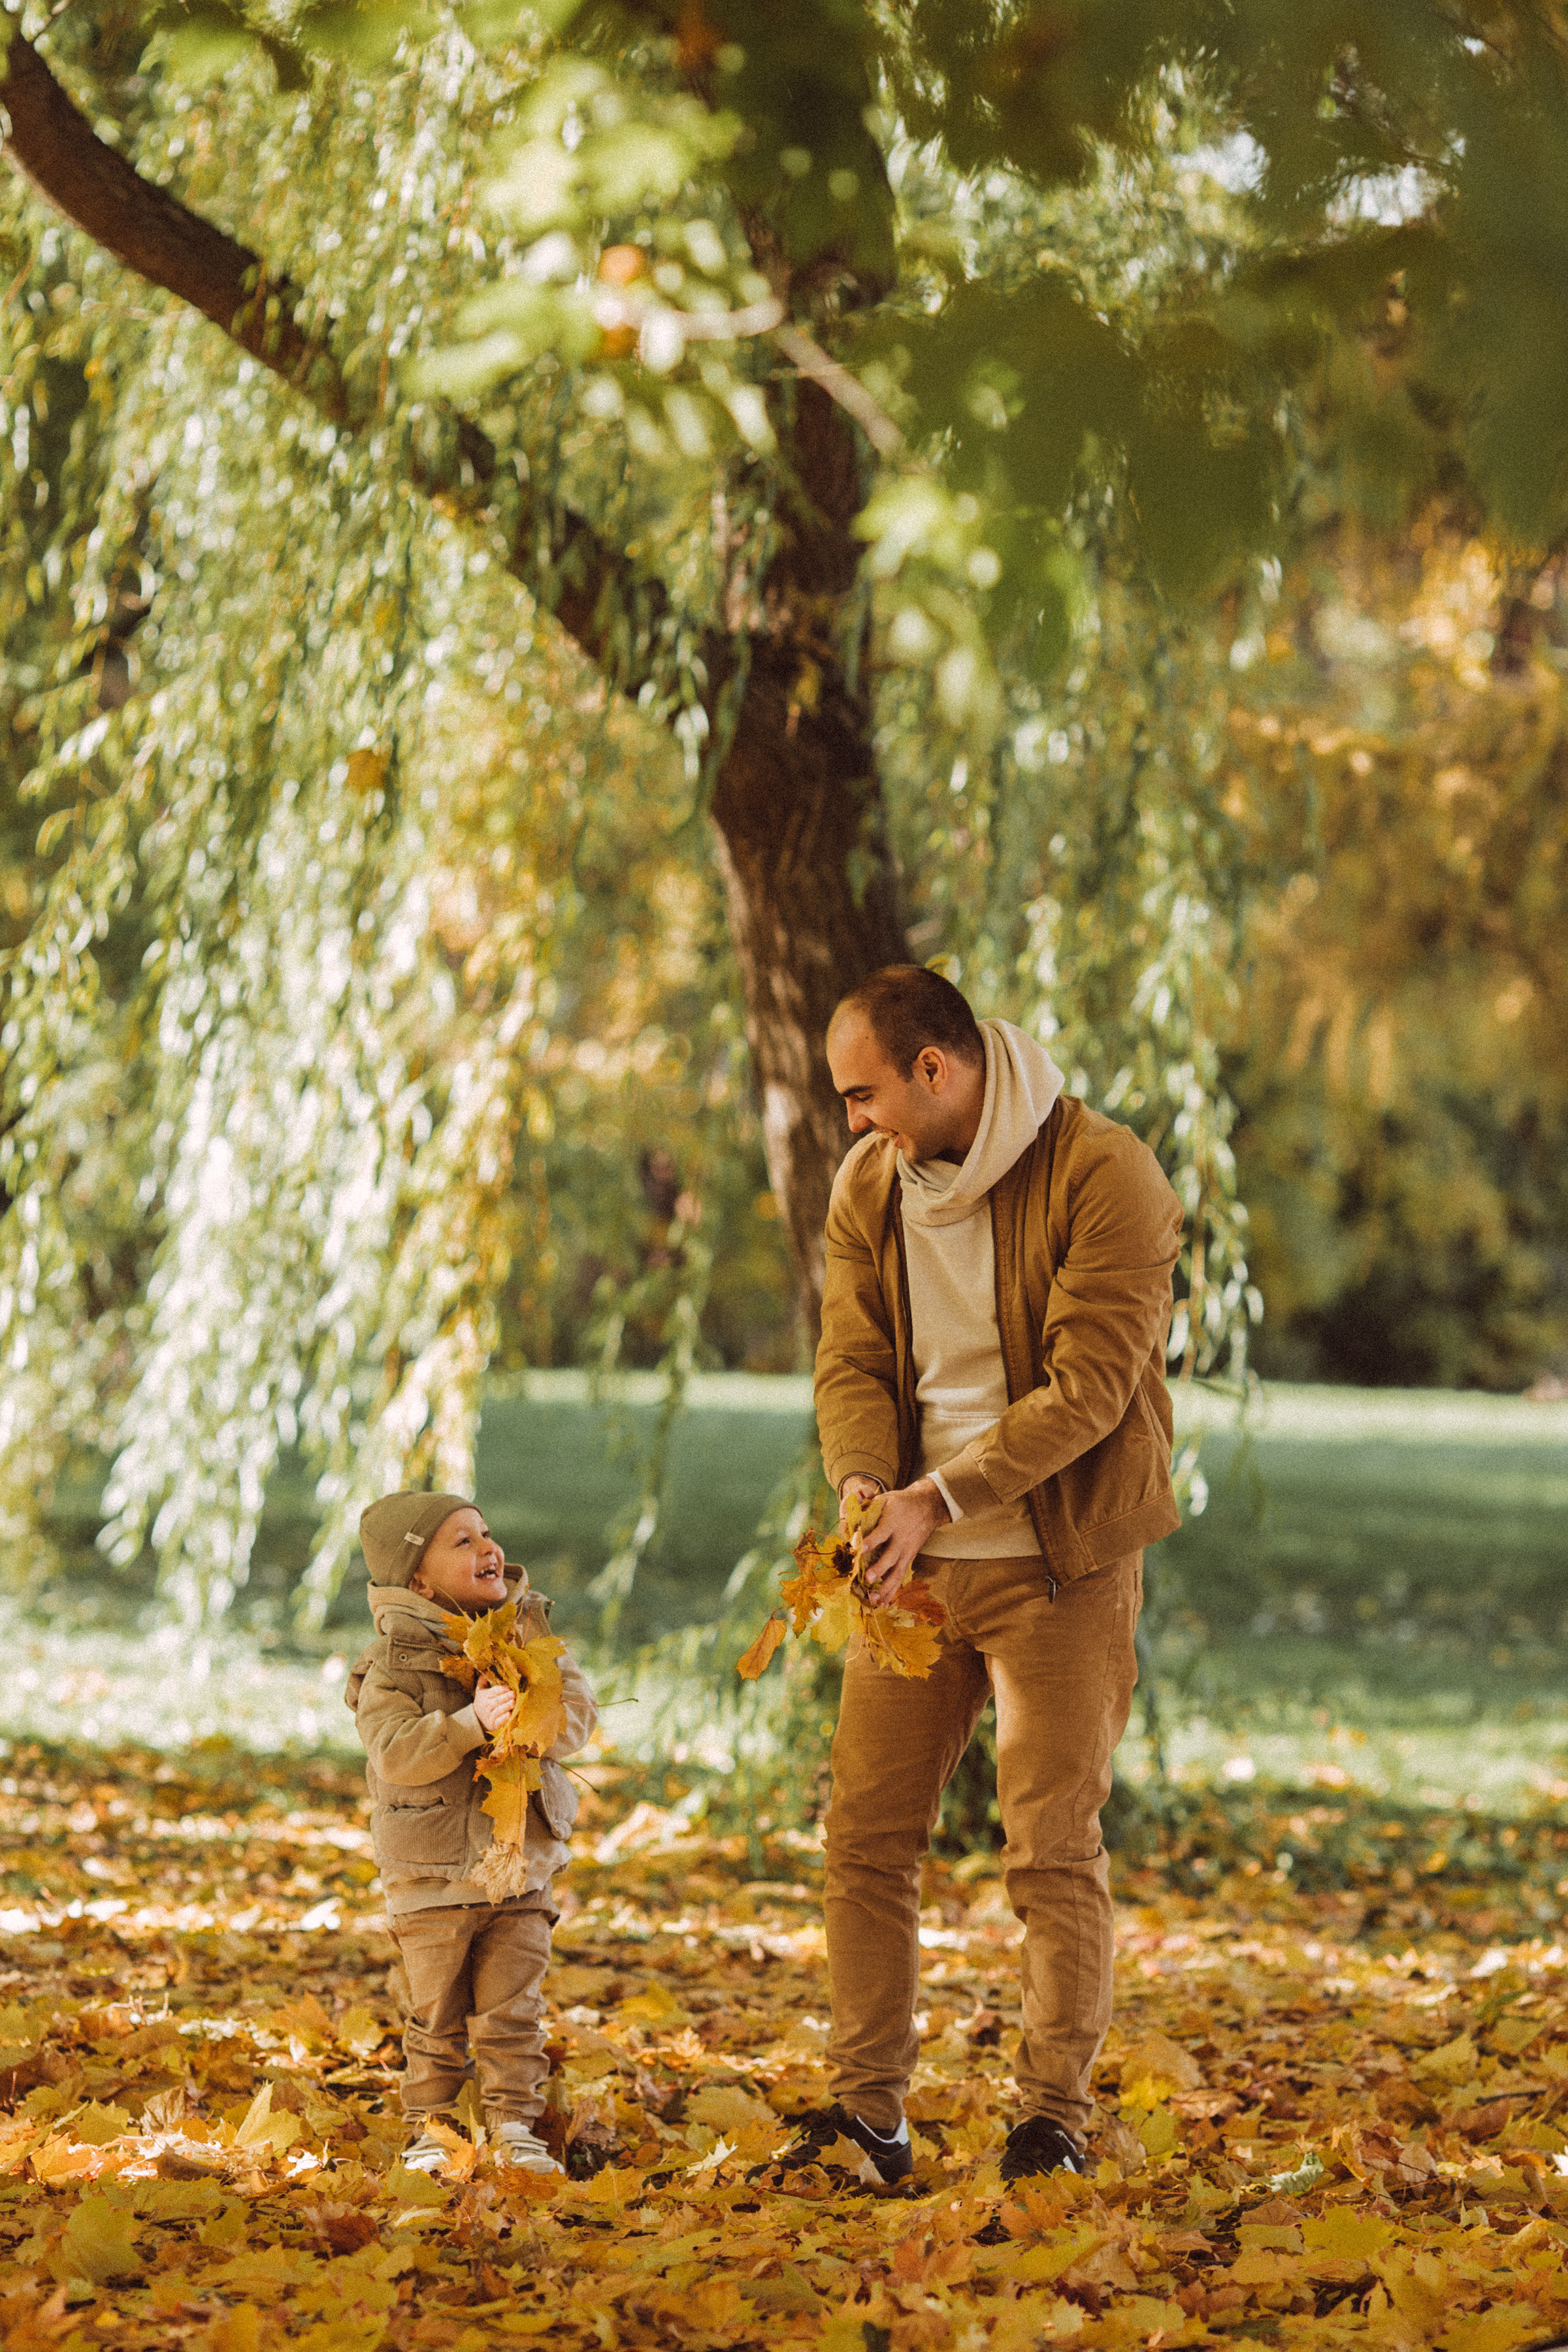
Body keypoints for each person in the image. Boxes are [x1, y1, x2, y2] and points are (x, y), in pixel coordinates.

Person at [771, 965, 1182, 2189]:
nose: (854, 1121)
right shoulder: (869, 1186)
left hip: (1059, 1562)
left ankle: (1050, 2118)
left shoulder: (1106, 1175)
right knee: (866, 1838)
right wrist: (863, 1488)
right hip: (911, 1568)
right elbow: (853, 1359)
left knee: (1050, 1844)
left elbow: (1091, 1390)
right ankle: (869, 2119)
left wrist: (938, 1494)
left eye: (864, 1094)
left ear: (935, 1072)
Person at [348, 1490, 598, 2176]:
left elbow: (578, 1718)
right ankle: (432, 2129)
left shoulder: (529, 1637)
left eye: (487, 1532)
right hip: (433, 1877)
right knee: (436, 2012)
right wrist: (468, 1726)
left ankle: (514, 2123)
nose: (489, 1547)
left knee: (515, 2006)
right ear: (418, 1580)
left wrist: (533, 1713)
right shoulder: (391, 1667)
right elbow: (395, 1752)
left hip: (521, 1864)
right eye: (462, 1541)